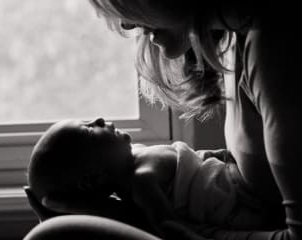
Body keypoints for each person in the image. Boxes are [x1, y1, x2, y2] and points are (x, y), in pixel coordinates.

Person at [25, 2, 302, 240]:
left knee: (53, 235)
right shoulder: (236, 41)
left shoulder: (276, 47)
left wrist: (114, 218)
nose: (126, 23)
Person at [27, 117, 269, 238]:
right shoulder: (141, 181)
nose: (99, 120)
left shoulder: (137, 154)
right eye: (90, 129)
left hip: (233, 174)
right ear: (92, 178)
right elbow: (167, 226)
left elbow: (191, 159)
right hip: (237, 205)